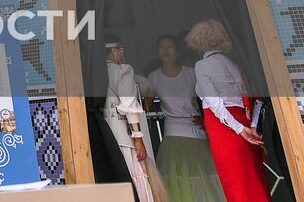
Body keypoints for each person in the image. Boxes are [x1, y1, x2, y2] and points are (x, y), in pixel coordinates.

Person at [188, 20, 270, 202]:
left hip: (225, 129)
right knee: (254, 181)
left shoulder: (202, 65)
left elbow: (214, 102)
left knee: (235, 184)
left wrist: (240, 129)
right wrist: (252, 127)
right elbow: (256, 100)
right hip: (247, 125)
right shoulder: (235, 65)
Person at [149, 34, 226, 202]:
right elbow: (143, 107)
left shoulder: (192, 73)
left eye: (170, 46)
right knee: (177, 181)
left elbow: (211, 98)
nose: (166, 50)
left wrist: (207, 119)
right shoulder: (153, 77)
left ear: (177, 52)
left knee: (204, 179)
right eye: (162, 46)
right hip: (172, 135)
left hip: (196, 132)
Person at [103, 34, 159, 202]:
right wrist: (138, 137)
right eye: (120, 50)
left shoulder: (95, 73)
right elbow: (128, 103)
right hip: (126, 135)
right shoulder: (122, 70)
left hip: (108, 135)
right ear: (113, 51)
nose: (121, 54)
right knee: (136, 176)